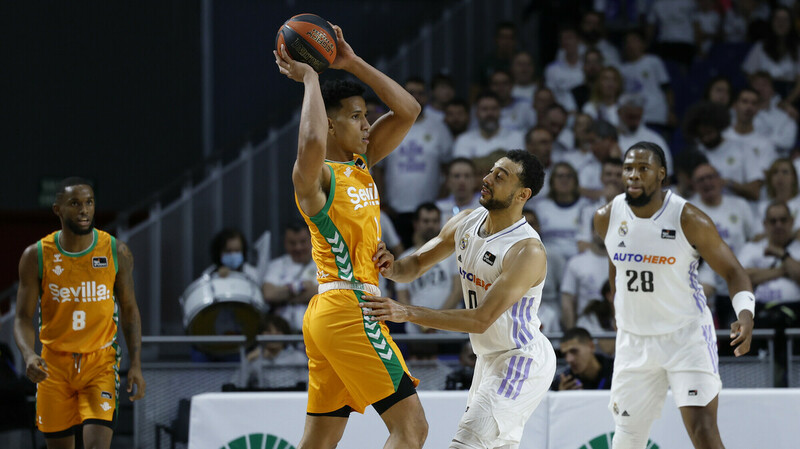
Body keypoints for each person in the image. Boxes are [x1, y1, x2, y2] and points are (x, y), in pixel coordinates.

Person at [273, 23, 427, 448]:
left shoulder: (363, 164)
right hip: (348, 308)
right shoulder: (317, 176)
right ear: (331, 122)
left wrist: (352, 62)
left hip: (339, 308)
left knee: (319, 442)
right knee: (412, 430)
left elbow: (409, 110)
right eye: (356, 116)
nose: (367, 124)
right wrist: (310, 79)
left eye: (367, 115)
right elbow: (309, 138)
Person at [361, 150, 557, 449]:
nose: (487, 179)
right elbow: (415, 264)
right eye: (491, 171)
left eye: (500, 177)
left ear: (522, 194)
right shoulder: (466, 220)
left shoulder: (526, 250)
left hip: (520, 358)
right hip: (488, 359)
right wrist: (391, 266)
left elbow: (480, 319)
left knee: (465, 443)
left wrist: (407, 312)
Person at [594, 142, 755, 448]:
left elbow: (734, 271)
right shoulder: (605, 217)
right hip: (634, 341)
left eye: (644, 168)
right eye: (629, 168)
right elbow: (615, 264)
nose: (634, 175)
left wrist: (745, 314)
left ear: (661, 175)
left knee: (704, 432)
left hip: (686, 337)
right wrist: (619, 309)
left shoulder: (689, 218)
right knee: (627, 438)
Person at [14, 177, 146, 448]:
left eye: (89, 202)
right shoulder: (36, 255)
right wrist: (28, 353)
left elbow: (130, 310)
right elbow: (22, 318)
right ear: (58, 210)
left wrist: (135, 364)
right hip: (54, 365)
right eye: (75, 203)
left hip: (99, 362)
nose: (84, 209)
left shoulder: (116, 251)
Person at [378, 76, 453, 247]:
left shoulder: (439, 128)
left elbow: (449, 168)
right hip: (395, 211)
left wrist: (440, 198)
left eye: (420, 93)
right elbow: (378, 169)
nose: (415, 97)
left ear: (427, 97)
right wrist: (382, 201)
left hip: (430, 212)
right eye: (411, 93)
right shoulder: (388, 126)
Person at [395, 203, 461, 336]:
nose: (431, 225)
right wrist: (421, 322)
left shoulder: (453, 254)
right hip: (416, 329)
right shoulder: (404, 258)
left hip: (449, 326)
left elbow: (458, 291)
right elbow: (402, 297)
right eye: (426, 221)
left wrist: (435, 321)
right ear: (416, 224)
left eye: (435, 221)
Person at [683, 100, 763, 201]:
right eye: (702, 135)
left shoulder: (742, 149)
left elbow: (755, 192)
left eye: (709, 133)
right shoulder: (694, 154)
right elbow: (686, 192)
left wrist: (727, 183)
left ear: (719, 127)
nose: (706, 138)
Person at [261, 224, 318, 333]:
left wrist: (283, 294)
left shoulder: (324, 264)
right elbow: (269, 294)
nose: (298, 247)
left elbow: (323, 293)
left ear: (312, 240)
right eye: (292, 243)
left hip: (315, 331)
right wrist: (299, 287)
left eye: (302, 242)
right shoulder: (276, 265)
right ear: (285, 243)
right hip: (281, 335)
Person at [234, 314, 308, 390]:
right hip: (262, 400)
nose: (273, 335)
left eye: (278, 331)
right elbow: (236, 385)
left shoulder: (297, 357)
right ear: (260, 334)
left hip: (291, 399)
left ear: (285, 334)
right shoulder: (254, 359)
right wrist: (248, 359)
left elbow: (308, 386)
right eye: (268, 331)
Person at [722, 87, 779, 175]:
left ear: (758, 109)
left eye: (754, 103)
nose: (749, 107)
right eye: (744, 101)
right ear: (734, 105)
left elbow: (764, 175)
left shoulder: (766, 144)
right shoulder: (722, 138)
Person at [452, 91, 524, 160]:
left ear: (500, 111)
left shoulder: (516, 138)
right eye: (484, 109)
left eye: (494, 108)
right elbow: (461, 169)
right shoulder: (464, 140)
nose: (490, 113)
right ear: (476, 112)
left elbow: (517, 169)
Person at [436, 158, 482, 225]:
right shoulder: (439, 209)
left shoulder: (485, 207)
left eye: (467, 176)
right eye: (456, 176)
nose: (462, 181)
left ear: (475, 181)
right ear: (448, 181)